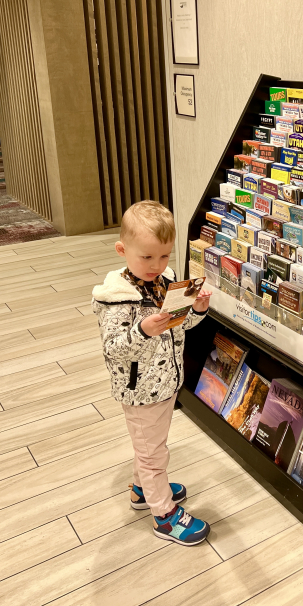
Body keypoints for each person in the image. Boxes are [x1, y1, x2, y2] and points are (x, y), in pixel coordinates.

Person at [92, 200, 212, 545]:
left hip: (165, 381)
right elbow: (113, 350)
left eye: (163, 256)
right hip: (140, 389)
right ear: (122, 250)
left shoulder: (165, 282)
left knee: (149, 446)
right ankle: (164, 514)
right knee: (153, 453)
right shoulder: (117, 298)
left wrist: (198, 310)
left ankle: (142, 490)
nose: (156, 266)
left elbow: (178, 326)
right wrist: (144, 330)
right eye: (146, 257)